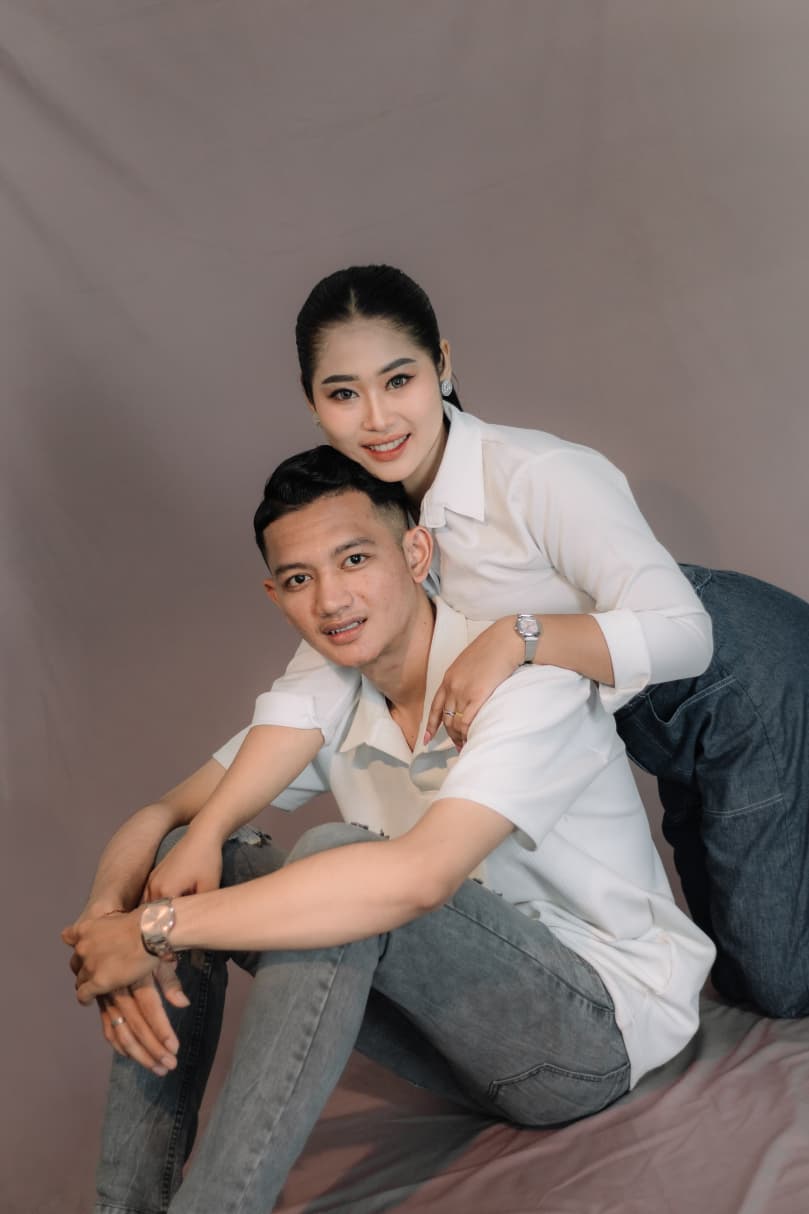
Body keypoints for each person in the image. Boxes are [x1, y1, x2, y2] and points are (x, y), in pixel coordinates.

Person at [67, 446, 714, 1214]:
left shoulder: (528, 686)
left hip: (592, 1038)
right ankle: (125, 1207)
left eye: (354, 559)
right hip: (457, 1042)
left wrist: (153, 931)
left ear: (414, 553)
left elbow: (420, 879)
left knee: (341, 859)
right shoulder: (326, 696)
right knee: (192, 850)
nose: (331, 600)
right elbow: (159, 817)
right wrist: (105, 921)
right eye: (300, 580)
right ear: (276, 596)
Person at [242, 263, 809, 1018]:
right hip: (653, 727)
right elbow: (312, 688)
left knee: (775, 986)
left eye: (399, 380)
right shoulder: (370, 515)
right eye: (344, 393)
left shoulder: (535, 473)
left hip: (741, 685)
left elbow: (687, 637)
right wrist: (181, 821)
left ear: (442, 365)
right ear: (313, 404)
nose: (376, 418)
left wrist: (520, 635)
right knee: (732, 974)